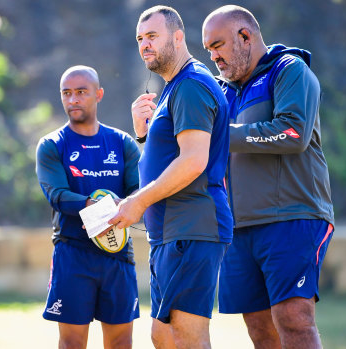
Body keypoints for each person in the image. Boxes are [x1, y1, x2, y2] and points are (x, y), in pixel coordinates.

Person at [202, 5, 334, 348]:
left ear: (245, 36)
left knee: (294, 320)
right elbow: (194, 144)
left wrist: (222, 135)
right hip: (238, 229)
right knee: (260, 329)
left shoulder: (290, 70)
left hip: (293, 217)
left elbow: (293, 133)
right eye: (208, 50)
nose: (214, 56)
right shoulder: (221, 91)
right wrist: (145, 133)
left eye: (218, 45)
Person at [108, 6, 233, 348]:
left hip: (191, 227)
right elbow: (169, 159)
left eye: (152, 36)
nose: (144, 45)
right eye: (139, 39)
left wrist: (139, 200)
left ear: (178, 38)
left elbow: (194, 161)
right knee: (163, 337)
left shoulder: (191, 85)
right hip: (170, 234)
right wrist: (144, 137)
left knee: (186, 337)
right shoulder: (174, 87)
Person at [35, 65, 141, 349]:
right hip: (73, 254)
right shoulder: (51, 145)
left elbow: (139, 193)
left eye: (81, 92)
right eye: (67, 93)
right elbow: (56, 195)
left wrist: (118, 209)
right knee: (71, 343)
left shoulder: (122, 143)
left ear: (99, 94)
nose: (73, 100)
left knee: (121, 342)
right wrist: (98, 209)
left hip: (117, 253)